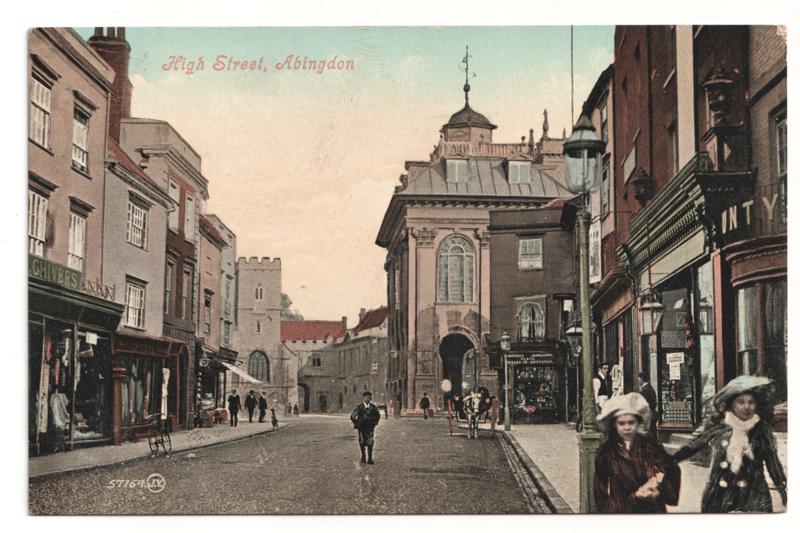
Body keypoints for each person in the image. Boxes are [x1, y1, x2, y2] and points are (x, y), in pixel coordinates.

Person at [671, 376, 787, 513]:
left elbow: (773, 463)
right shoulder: (719, 427)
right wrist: (670, 460)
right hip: (719, 496)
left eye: (751, 402)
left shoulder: (762, 431)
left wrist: (782, 488)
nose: (746, 407)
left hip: (753, 497)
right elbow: (692, 446)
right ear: (731, 404)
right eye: (741, 402)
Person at [594, 392, 681, 513]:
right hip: (623, 512)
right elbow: (601, 491)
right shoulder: (606, 452)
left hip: (652, 511)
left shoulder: (650, 446)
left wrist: (660, 491)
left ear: (638, 423)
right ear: (614, 425)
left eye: (631, 422)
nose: (627, 427)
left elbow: (671, 469)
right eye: (622, 423)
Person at [350, 391, 381, 464]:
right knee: (362, 442)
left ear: (371, 398)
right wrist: (356, 424)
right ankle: (363, 457)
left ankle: (370, 458)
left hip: (370, 428)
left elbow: (378, 415)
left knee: (370, 442)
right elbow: (353, 416)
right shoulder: (359, 407)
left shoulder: (373, 407)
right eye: (366, 397)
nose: (368, 398)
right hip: (362, 427)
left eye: (369, 397)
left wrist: (375, 422)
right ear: (363, 398)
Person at [638, 372, 659, 438]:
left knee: (649, 435)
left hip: (648, 415)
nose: (638, 380)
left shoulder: (645, 390)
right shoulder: (649, 388)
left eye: (639, 379)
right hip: (651, 414)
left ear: (642, 379)